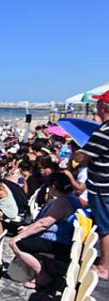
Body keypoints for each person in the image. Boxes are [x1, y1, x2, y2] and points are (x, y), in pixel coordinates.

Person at [10, 173, 82, 289]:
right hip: (64, 240)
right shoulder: (73, 198)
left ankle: (42, 276)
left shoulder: (62, 202)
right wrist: (28, 229)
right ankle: (41, 274)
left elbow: (44, 223)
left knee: (17, 245)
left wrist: (20, 236)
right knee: (28, 239)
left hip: (60, 243)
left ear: (53, 186)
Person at [73, 90, 109, 280]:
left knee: (105, 228)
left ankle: (105, 267)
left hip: (102, 187)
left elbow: (82, 158)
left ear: (103, 106)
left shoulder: (103, 132)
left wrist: (78, 153)